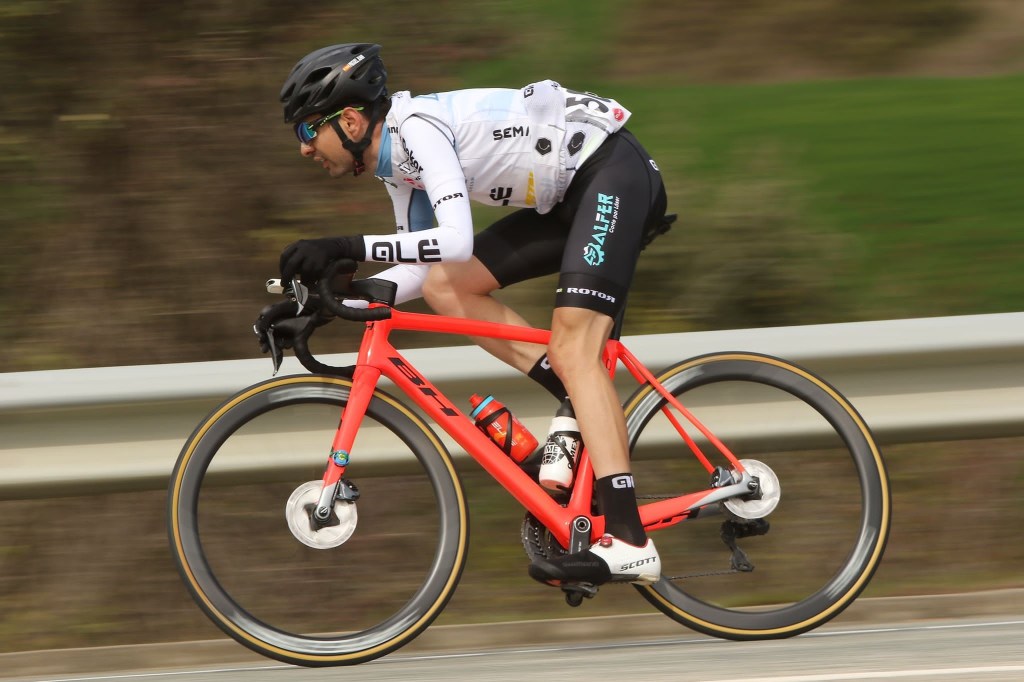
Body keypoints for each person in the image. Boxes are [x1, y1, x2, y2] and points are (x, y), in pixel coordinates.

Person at [276, 43, 667, 586]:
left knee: (574, 348)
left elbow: (455, 239)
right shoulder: (395, 165)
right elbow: (423, 265)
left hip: (611, 174)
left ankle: (629, 540)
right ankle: (578, 396)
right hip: (568, 197)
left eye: (306, 130)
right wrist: (323, 303)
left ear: (349, 121)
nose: (303, 148)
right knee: (448, 288)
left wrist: (344, 244)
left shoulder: (417, 129)